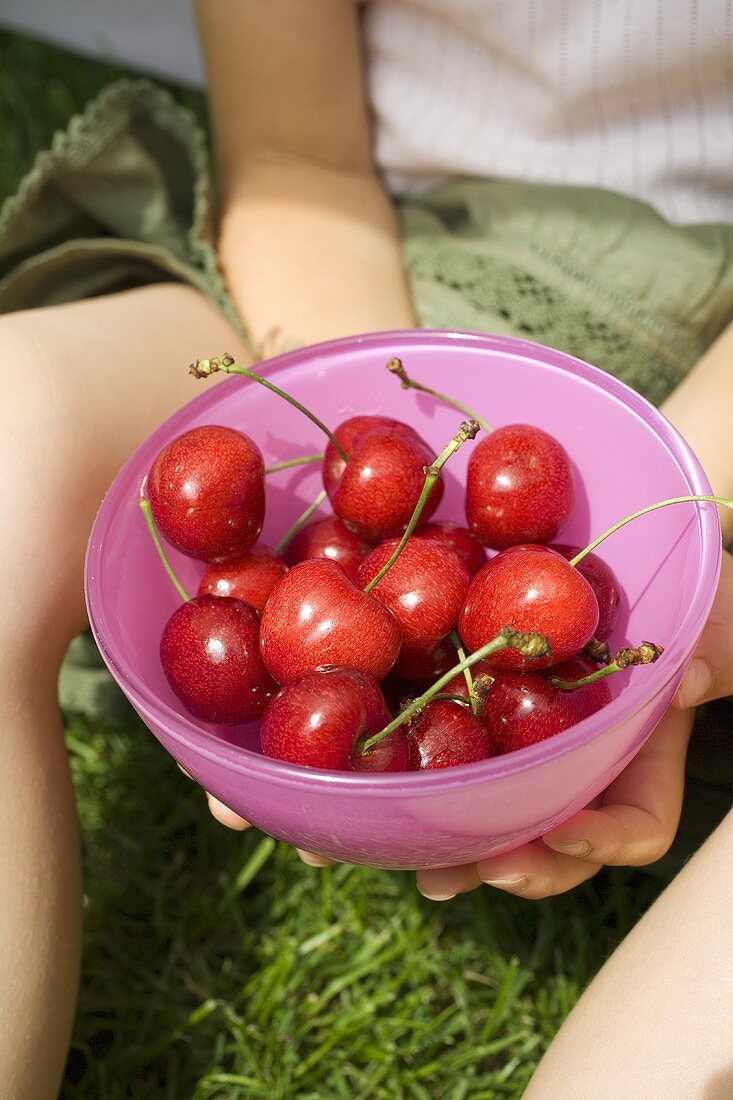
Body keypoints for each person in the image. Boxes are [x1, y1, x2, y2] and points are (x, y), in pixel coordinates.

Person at [0, 2, 731, 1096]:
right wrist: (359, 433)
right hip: (380, 278)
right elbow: (299, 155)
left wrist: (692, 518)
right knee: (17, 426)